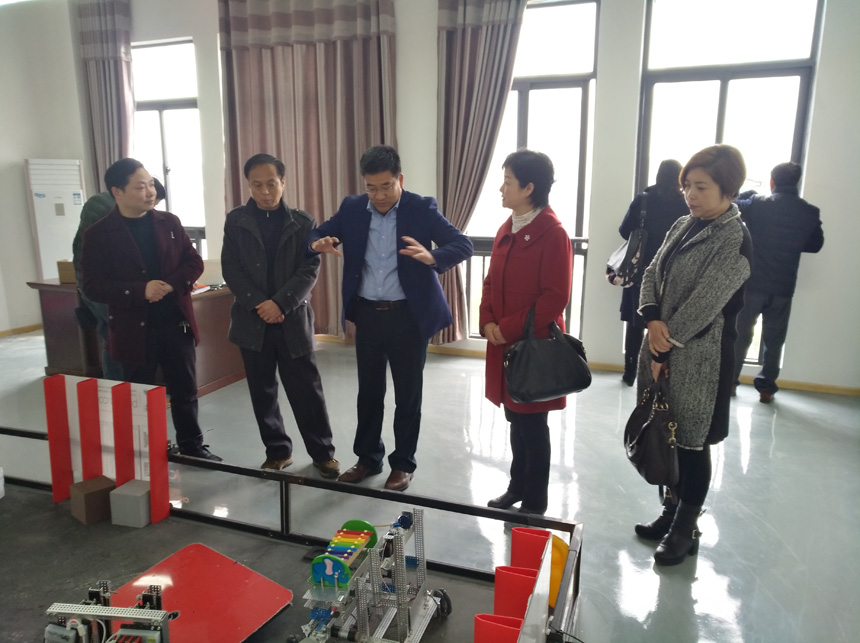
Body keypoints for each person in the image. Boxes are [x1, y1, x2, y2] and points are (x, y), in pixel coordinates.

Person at [307, 145, 473, 491]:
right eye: (371, 187)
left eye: (386, 186)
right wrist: (316, 243)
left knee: (407, 395)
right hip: (368, 314)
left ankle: (403, 464)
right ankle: (368, 458)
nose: (379, 195)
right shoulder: (352, 208)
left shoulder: (421, 208)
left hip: (408, 317)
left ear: (400, 179)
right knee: (369, 393)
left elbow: (462, 244)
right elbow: (317, 232)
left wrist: (433, 256)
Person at [635, 145, 752, 565]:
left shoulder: (734, 238)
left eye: (701, 187)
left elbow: (706, 303)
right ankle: (670, 512)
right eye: (687, 185)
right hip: (662, 345)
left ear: (728, 190)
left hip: (702, 357)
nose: (691, 194)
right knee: (666, 432)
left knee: (690, 441)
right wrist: (651, 318)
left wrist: (664, 343)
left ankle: (685, 529)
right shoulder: (684, 224)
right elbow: (652, 271)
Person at [80, 158, 220, 461]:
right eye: (140, 187)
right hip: (133, 330)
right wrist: (139, 290)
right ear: (117, 192)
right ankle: (145, 451)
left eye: (151, 184)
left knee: (185, 391)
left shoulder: (169, 222)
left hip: (175, 323)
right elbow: (92, 286)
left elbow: (193, 262)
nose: (150, 191)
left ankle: (192, 447)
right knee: (140, 395)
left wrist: (170, 285)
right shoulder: (99, 234)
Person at [221, 154, 339, 477]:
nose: (265, 192)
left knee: (307, 390)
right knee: (262, 392)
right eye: (257, 185)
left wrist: (280, 304)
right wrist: (260, 303)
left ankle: (323, 453)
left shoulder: (303, 222)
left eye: (271, 184)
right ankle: (278, 451)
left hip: (292, 321)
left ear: (283, 182)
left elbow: (309, 269)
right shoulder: (236, 221)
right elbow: (231, 267)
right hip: (252, 320)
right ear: (248, 185)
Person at [479, 149, 573, 517]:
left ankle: (535, 501)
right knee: (515, 421)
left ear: (529, 188)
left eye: (508, 182)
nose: (501, 189)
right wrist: (487, 322)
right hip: (504, 344)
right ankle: (517, 486)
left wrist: (506, 329)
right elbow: (490, 282)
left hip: (532, 347)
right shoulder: (508, 227)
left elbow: (555, 298)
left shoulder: (553, 234)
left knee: (533, 426)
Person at [733, 162, 824, 403]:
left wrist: (749, 192)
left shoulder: (758, 205)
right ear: (796, 183)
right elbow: (815, 245)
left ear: (772, 182)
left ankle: (730, 383)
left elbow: (733, 206)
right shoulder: (809, 212)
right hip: (783, 287)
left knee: (741, 335)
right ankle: (766, 389)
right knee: (774, 341)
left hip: (753, 284)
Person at [72, 177, 166, 380]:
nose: (151, 208)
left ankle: (126, 387)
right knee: (116, 333)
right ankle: (118, 387)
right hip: (105, 285)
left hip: (119, 284)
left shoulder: (129, 209)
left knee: (116, 333)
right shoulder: (103, 208)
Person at [615, 160, 688, 386]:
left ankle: (630, 373)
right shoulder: (684, 203)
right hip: (672, 272)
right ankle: (659, 371)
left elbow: (624, 230)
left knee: (635, 324)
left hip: (640, 270)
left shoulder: (644, 200)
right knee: (665, 323)